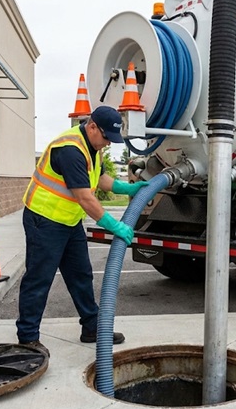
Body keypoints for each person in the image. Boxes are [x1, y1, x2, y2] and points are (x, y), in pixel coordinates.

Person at [16, 105, 148, 356]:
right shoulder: (70, 149)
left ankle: (91, 328)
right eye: (107, 137)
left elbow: (99, 179)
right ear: (92, 127)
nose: (109, 143)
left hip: (68, 221)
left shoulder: (92, 147)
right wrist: (115, 226)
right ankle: (28, 337)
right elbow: (86, 198)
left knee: (81, 275)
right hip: (44, 220)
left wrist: (126, 188)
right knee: (39, 278)